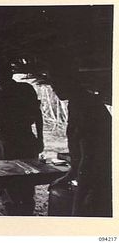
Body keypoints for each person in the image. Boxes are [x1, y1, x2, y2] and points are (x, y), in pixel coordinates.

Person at [48, 54, 112, 217]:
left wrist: (84, 191)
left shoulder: (85, 107)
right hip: (92, 175)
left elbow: (90, 155)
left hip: (99, 177)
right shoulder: (78, 103)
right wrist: (69, 176)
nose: (53, 88)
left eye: (55, 83)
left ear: (69, 80)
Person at [0, 57, 44, 216]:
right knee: (9, 182)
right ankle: (14, 212)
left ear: (10, 73)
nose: (0, 81)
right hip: (6, 144)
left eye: (3, 76)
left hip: (24, 141)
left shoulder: (25, 90)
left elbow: (37, 115)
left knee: (25, 182)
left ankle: (24, 213)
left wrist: (40, 139)